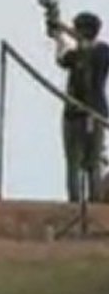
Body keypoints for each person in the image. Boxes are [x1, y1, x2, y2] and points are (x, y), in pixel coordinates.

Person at [53, 12, 109, 203]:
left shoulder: (102, 51)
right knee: (73, 163)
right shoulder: (77, 55)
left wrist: (63, 29)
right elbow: (61, 59)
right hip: (73, 114)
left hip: (93, 113)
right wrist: (58, 36)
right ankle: (74, 203)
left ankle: (94, 203)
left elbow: (90, 50)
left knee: (92, 162)